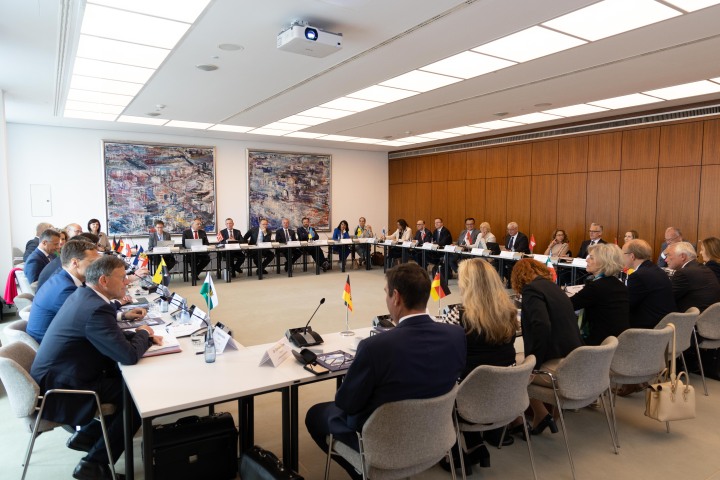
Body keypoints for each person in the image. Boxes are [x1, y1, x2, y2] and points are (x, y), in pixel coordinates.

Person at [305, 263, 466, 480]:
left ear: (396, 297)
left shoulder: (376, 347)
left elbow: (346, 403)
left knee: (316, 414)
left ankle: (366, 472)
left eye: (386, 294)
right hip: (434, 434)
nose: (386, 299)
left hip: (382, 441)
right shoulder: (456, 335)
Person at [30, 256, 161, 480]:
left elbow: (107, 335)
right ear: (103, 280)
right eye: (121, 278)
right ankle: (93, 465)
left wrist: (135, 335)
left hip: (61, 375)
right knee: (138, 398)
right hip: (62, 388)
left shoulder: (85, 295)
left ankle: (89, 437)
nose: (126, 283)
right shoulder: (96, 309)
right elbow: (127, 356)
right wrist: (144, 334)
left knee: (125, 385)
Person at [438, 259, 518, 469]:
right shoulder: (510, 312)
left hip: (466, 397)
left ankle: (455, 454)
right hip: (504, 393)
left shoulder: (459, 315)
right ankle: (476, 446)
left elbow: (439, 347)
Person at [510, 259, 583, 436]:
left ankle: (531, 416)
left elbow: (541, 326)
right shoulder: (553, 287)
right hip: (572, 354)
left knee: (515, 370)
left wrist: (533, 365)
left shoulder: (531, 289)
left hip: (553, 355)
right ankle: (545, 416)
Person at [27, 239, 101, 343]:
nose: (98, 267)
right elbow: (92, 320)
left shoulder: (62, 278)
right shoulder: (65, 289)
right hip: (55, 348)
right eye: (93, 262)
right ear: (75, 263)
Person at [570, 243, 629, 345]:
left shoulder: (596, 287)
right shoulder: (619, 284)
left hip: (598, 344)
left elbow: (568, 305)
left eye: (591, 258)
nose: (587, 260)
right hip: (619, 341)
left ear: (603, 262)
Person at [622, 239, 676, 329]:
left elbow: (627, 305)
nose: (621, 257)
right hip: (665, 323)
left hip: (650, 328)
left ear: (632, 256)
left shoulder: (638, 276)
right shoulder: (655, 269)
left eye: (623, 254)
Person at [665, 242, 720, 313]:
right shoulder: (703, 268)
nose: (666, 260)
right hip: (709, 318)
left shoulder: (684, 273)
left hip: (692, 320)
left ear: (682, 256)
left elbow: (667, 298)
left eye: (669, 255)